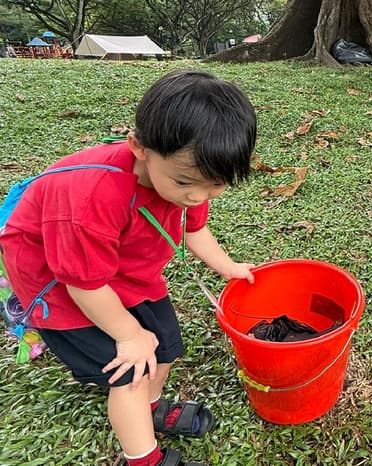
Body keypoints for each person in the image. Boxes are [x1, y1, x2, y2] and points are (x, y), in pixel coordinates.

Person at [0, 70, 257, 466]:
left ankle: (151, 409)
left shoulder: (190, 177)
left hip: (118, 268)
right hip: (58, 280)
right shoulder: (92, 197)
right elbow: (83, 286)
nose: (197, 196)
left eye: (216, 185)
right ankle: (144, 459)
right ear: (139, 147)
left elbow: (195, 228)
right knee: (131, 373)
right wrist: (129, 335)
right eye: (187, 183)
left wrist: (228, 267)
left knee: (165, 346)